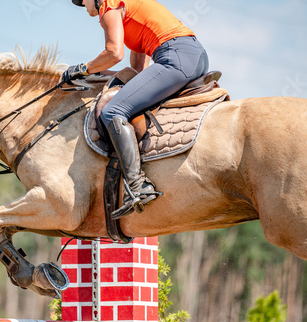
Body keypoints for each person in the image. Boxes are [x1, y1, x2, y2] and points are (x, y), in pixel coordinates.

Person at [61, 0, 209, 219]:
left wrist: (82, 69)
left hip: (174, 58)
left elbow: (114, 53)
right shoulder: (129, 11)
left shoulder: (108, 6)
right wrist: (99, 75)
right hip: (192, 55)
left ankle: (138, 185)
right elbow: (137, 71)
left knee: (112, 112)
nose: (89, 12)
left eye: (83, 5)